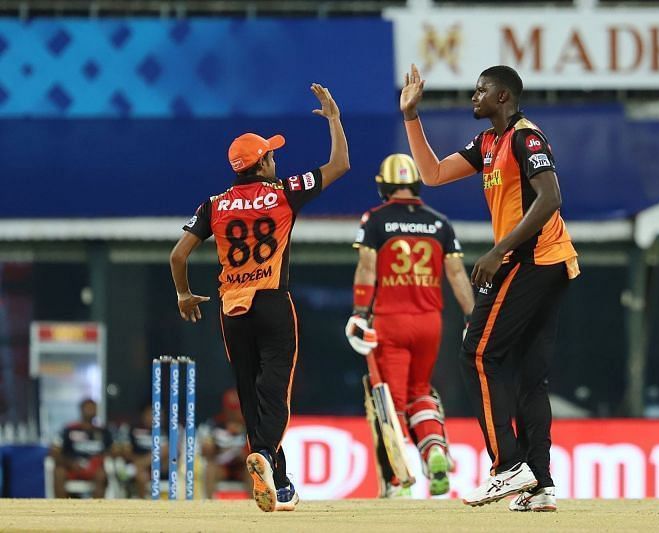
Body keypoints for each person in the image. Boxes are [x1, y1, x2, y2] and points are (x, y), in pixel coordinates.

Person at [400, 64, 579, 510]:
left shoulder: (525, 137)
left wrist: (498, 251)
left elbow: (551, 198)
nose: (473, 96)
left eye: (482, 90)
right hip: (544, 261)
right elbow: (434, 174)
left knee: (477, 350)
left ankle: (506, 467)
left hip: (533, 258)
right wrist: (410, 117)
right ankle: (540, 483)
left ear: (504, 97)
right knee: (529, 378)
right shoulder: (487, 143)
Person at [169, 83, 349, 512]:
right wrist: (335, 120)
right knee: (275, 392)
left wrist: (183, 295)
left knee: (250, 395)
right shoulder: (285, 191)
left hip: (232, 309)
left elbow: (178, 255)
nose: (276, 158)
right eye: (272, 154)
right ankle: (267, 458)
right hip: (272, 301)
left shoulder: (214, 204)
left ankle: (281, 484)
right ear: (263, 162)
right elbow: (340, 164)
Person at [346, 154, 474, 498]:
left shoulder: (375, 220)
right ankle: (434, 450)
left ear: (383, 186)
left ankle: (397, 481)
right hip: (430, 324)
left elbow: (367, 269)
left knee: (390, 403)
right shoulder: (440, 223)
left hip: (391, 322)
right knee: (420, 392)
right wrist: (471, 317)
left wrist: (360, 311)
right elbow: (457, 275)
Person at [51, 398, 112, 498]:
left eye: (93, 407)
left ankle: (98, 510)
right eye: (88, 407)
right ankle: (60, 509)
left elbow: (110, 450)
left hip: (94, 467)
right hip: (72, 466)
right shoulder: (69, 429)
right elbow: (55, 450)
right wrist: (70, 463)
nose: (91, 410)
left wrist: (100, 460)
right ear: (81, 409)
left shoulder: (103, 431)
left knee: (102, 474)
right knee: (58, 472)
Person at [201, 389, 251, 498]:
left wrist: (243, 453)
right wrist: (212, 447)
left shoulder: (250, 424)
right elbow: (205, 451)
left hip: (241, 467)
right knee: (210, 469)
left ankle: (254, 505)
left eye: (237, 409)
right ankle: (208, 505)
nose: (235, 413)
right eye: (232, 409)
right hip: (222, 467)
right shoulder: (214, 424)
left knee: (252, 470)